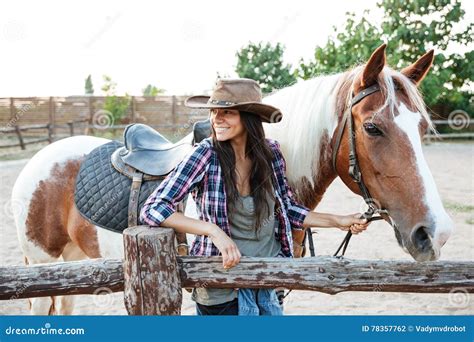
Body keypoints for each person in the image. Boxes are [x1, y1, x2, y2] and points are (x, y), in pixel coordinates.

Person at [140, 78, 369, 316]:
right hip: (222, 285)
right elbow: (154, 207)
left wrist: (338, 221)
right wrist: (213, 231)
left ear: (248, 117)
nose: (216, 119)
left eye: (226, 112)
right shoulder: (205, 155)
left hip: (268, 277)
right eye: (214, 112)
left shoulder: (271, 155)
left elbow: (288, 209)